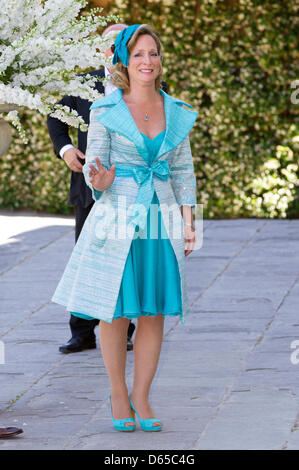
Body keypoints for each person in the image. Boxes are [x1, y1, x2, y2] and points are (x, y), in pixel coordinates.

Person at [52, 24, 197, 432]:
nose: (147, 61)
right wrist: (99, 180)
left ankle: (142, 397)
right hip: (117, 219)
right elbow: (96, 165)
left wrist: (190, 223)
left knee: (154, 313)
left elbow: (184, 170)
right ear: (123, 62)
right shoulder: (105, 110)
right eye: (138, 55)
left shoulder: (178, 111)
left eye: (153, 53)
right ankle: (118, 393)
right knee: (113, 313)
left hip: (161, 218)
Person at [47, 24, 136, 353]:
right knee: (87, 258)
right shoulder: (82, 83)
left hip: (131, 188)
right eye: (114, 44)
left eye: (126, 42)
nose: (119, 50)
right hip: (89, 186)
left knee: (126, 258)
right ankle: (81, 332)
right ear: (102, 50)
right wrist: (66, 149)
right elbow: (56, 118)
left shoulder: (148, 80)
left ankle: (124, 329)